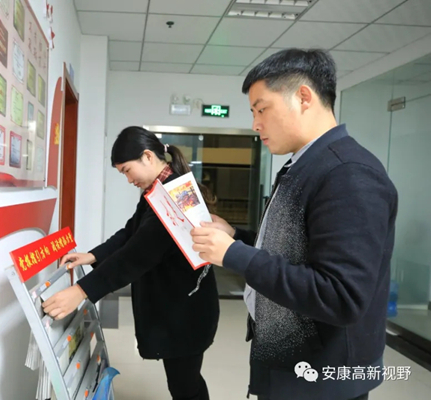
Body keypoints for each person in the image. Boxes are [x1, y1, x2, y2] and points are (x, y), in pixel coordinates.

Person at [191, 48, 398, 400]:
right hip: (294, 364)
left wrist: (234, 254)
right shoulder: (305, 166)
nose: (256, 124)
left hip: (323, 379)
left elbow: (341, 296)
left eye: (262, 109)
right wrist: (236, 237)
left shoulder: (348, 173)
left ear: (303, 97)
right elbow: (298, 249)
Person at [42, 126, 220, 400]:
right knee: (186, 382)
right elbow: (131, 232)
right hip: (184, 306)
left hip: (186, 311)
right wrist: (94, 255)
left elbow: (136, 255)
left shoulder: (172, 197)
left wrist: (81, 290)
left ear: (147, 156)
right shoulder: (160, 189)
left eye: (126, 170)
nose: (127, 180)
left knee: (185, 386)